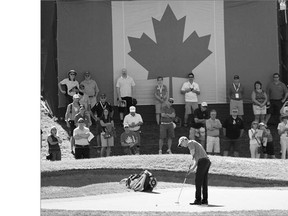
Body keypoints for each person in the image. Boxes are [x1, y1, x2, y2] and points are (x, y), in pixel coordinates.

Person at [178, 136, 211, 206]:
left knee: (198, 181)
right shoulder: (193, 144)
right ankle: (204, 200)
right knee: (203, 182)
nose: (182, 146)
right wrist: (191, 169)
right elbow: (196, 161)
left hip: (203, 161)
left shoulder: (190, 143)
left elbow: (193, 153)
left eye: (182, 144)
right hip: (206, 161)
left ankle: (198, 200)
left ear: (184, 140)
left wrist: (191, 160)